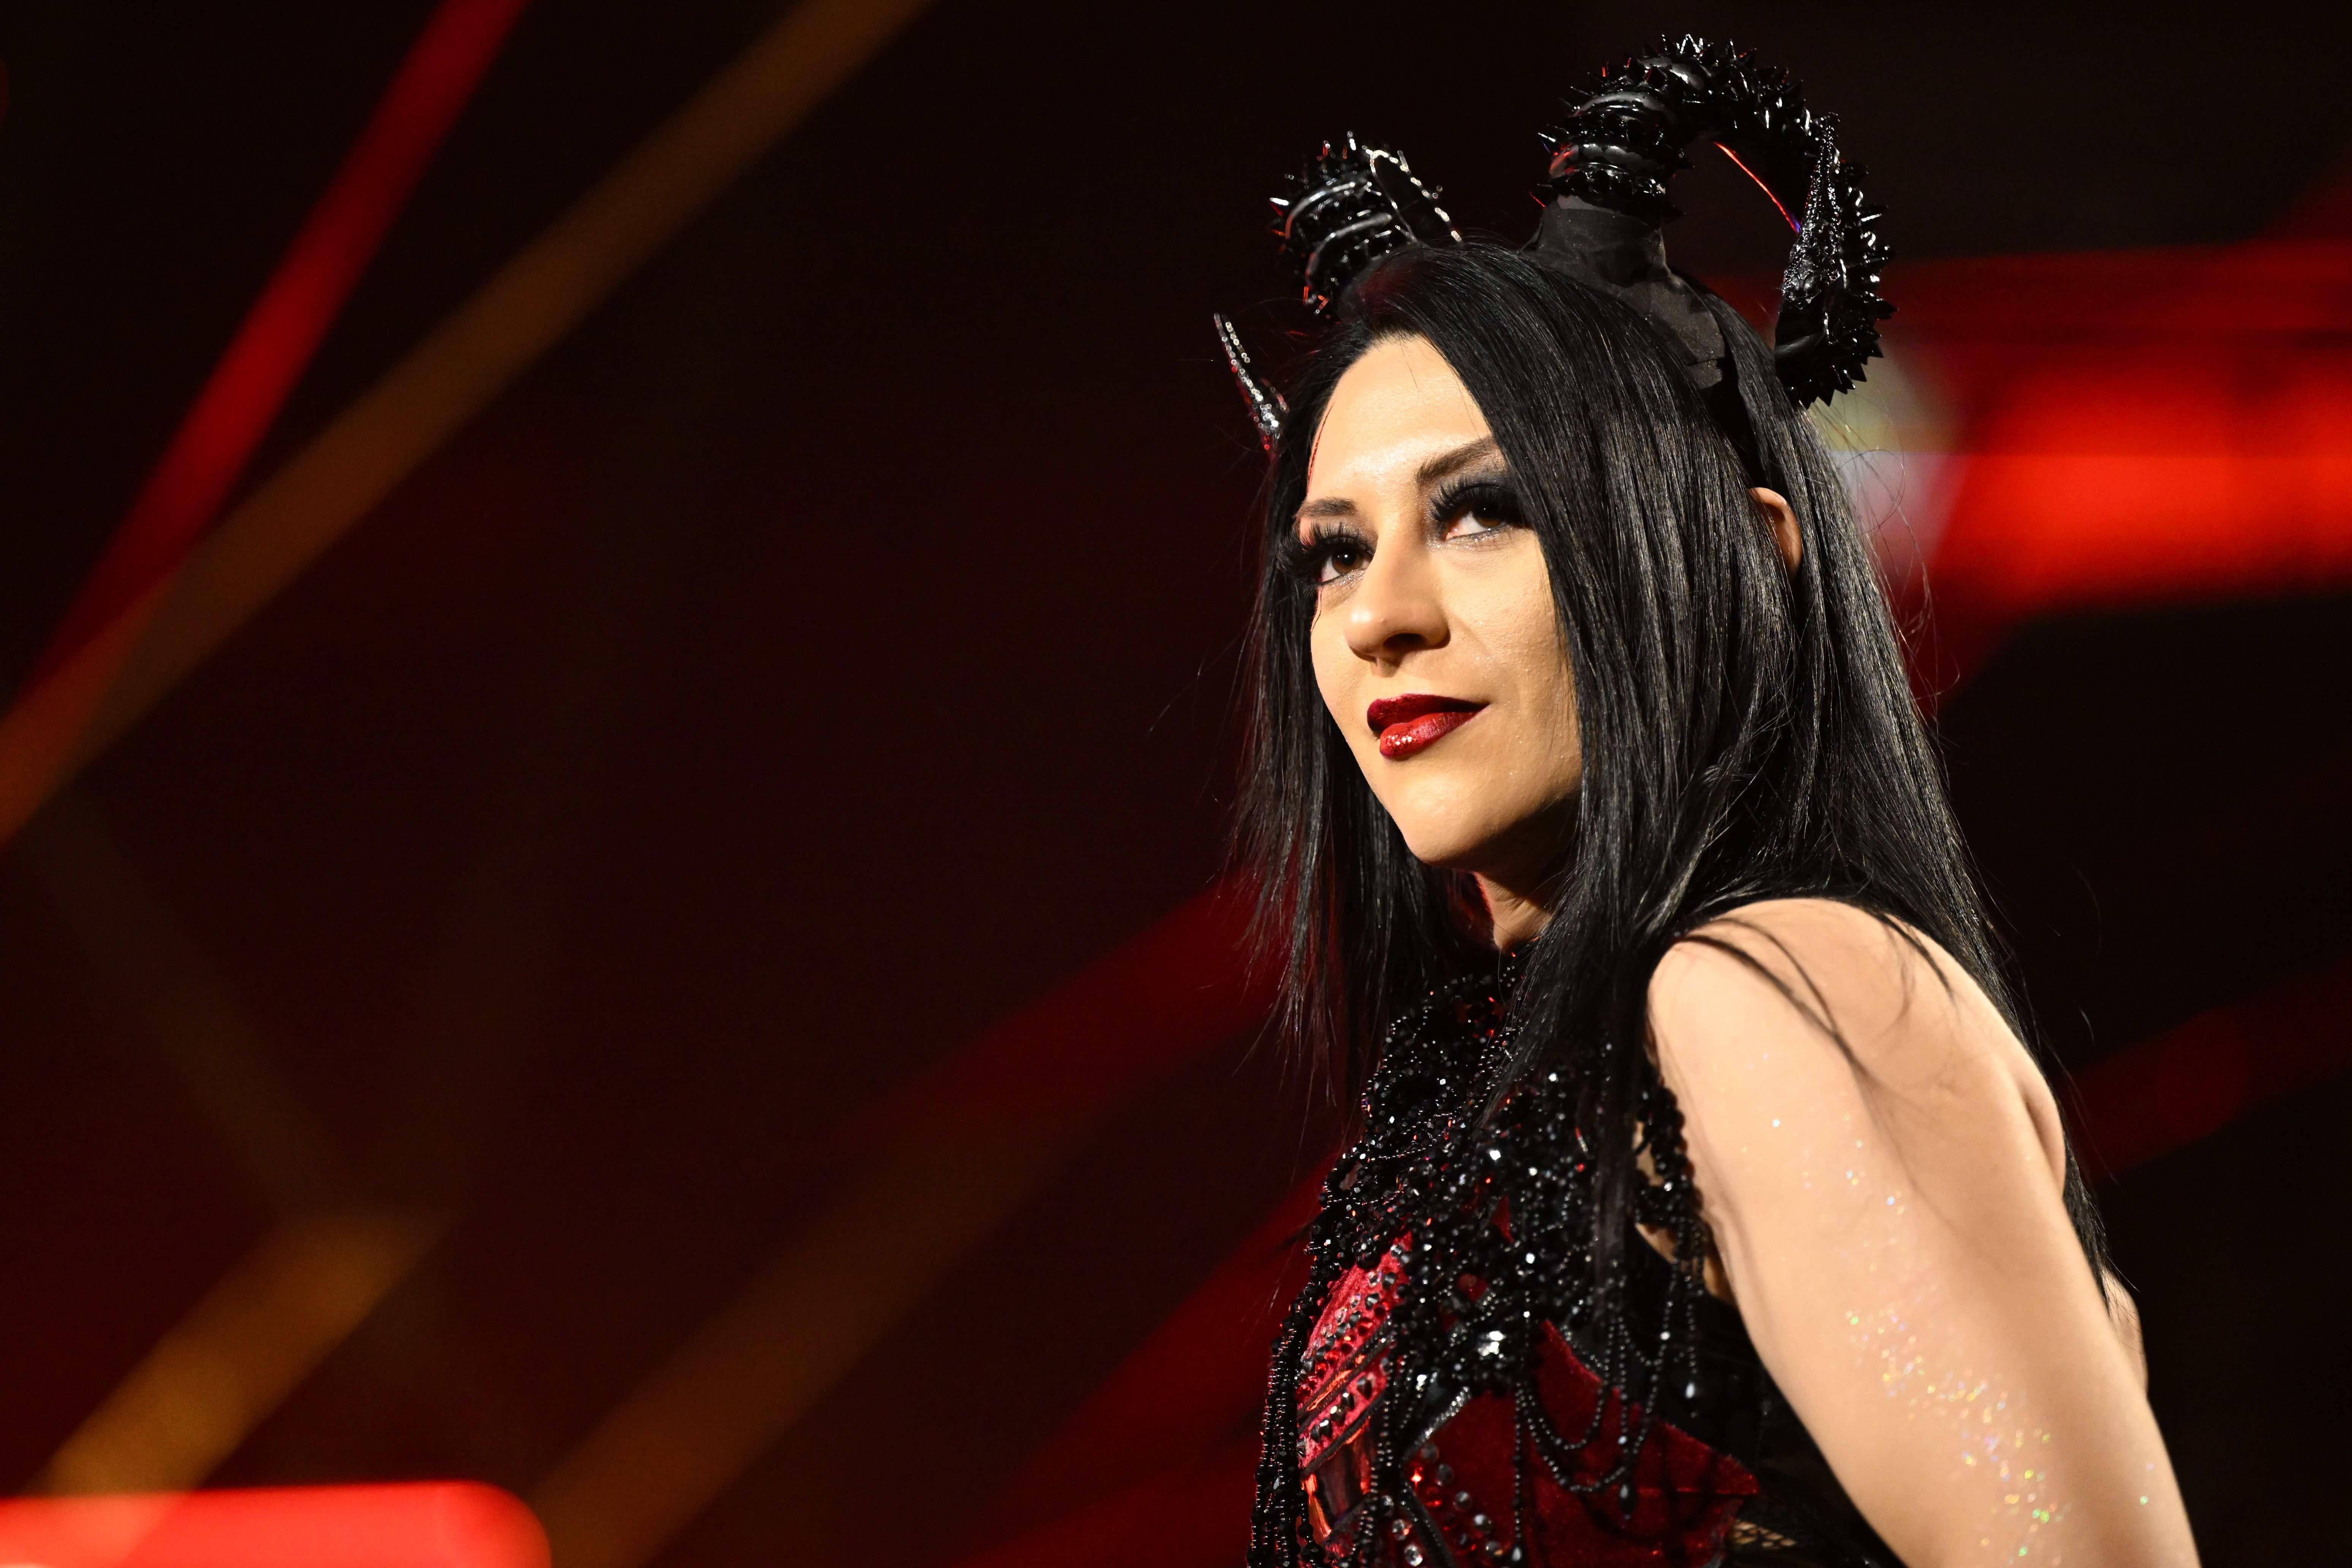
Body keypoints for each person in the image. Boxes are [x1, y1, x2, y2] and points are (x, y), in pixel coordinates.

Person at [1215, 38, 2200, 1568]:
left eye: (1484, 512)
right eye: (1335, 551)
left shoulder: (1765, 989)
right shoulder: (1504, 1083)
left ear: (1742, 550)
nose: (1378, 618)